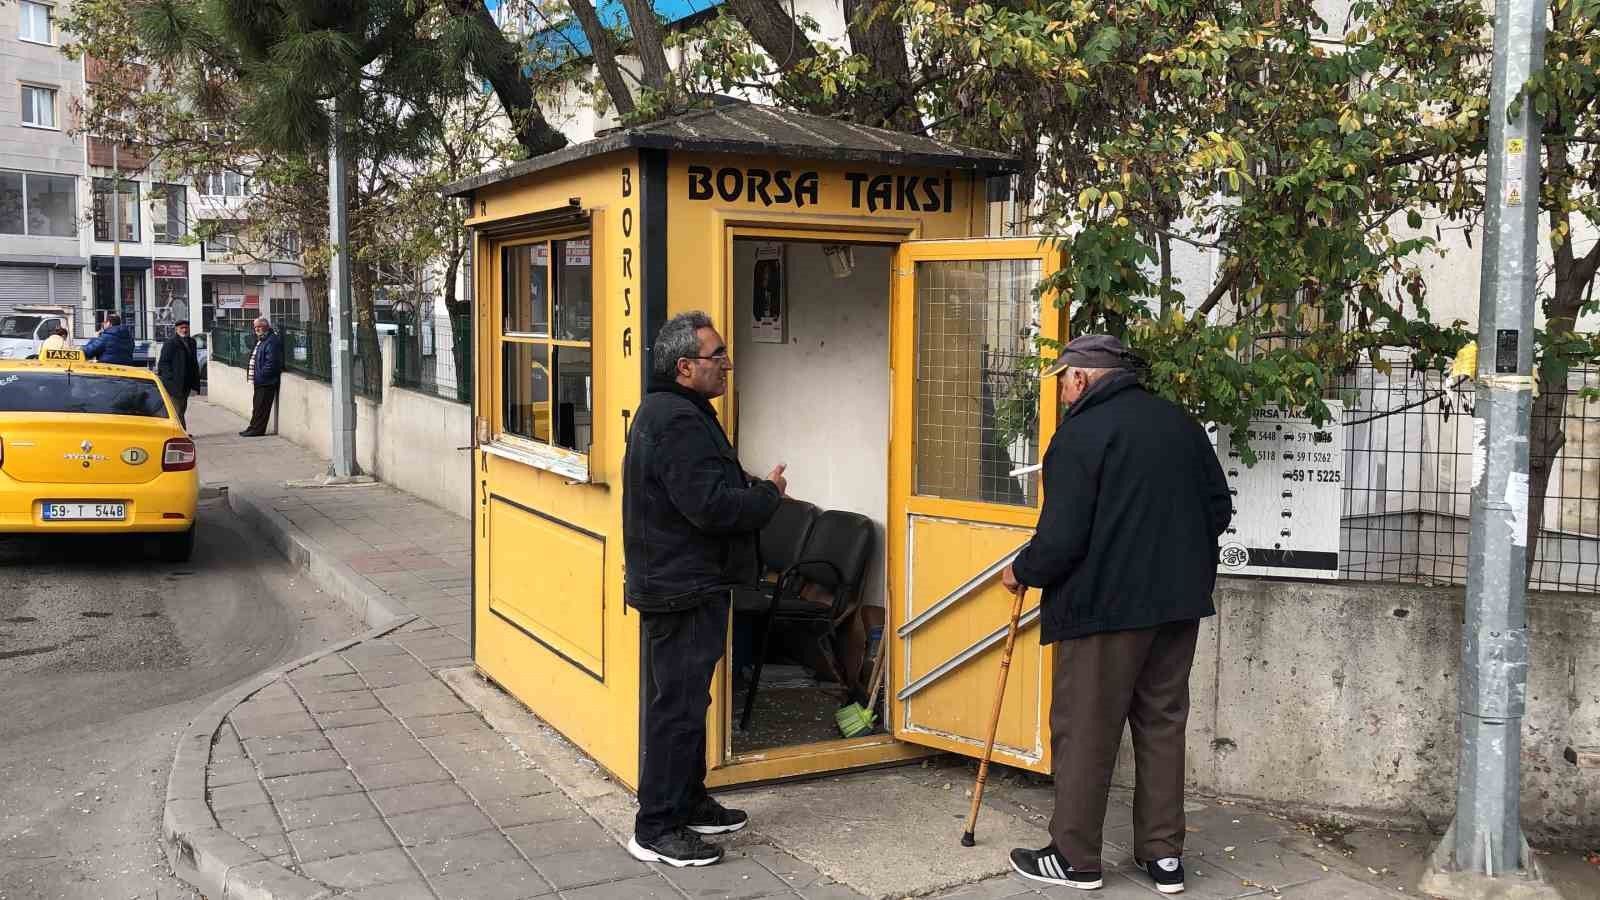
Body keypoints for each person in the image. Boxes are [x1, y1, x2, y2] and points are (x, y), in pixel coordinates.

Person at [1002, 334, 1232, 894]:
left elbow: (1061, 539)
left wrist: (1022, 570)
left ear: (1083, 377)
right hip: (1177, 604)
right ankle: (1164, 857)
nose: (1058, 388)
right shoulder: (1179, 424)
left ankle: (1075, 858)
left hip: (1103, 610)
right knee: (1161, 723)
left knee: (1086, 729)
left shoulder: (1080, 434)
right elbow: (1218, 510)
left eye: (1062, 377)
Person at [622, 310, 788, 868]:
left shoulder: (678, 410)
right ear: (685, 366)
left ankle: (687, 800)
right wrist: (767, 497)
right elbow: (709, 507)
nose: (728, 365)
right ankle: (657, 827)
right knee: (679, 708)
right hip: (682, 587)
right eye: (718, 358)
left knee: (690, 701)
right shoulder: (677, 420)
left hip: (686, 582)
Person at [241, 317, 283, 437]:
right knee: (257, 407)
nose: (257, 329)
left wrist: (262, 374)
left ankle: (257, 430)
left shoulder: (271, 341)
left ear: (266, 327)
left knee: (262, 408)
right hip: (259, 380)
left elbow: (272, 363)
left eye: (259, 326)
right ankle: (252, 427)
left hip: (266, 381)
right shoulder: (262, 339)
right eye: (255, 327)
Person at [157, 320, 202, 428]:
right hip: (174, 383)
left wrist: (195, 382)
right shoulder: (170, 343)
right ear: (176, 329)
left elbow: (194, 362)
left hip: (186, 383)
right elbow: (163, 363)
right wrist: (169, 379)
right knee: (177, 410)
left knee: (182, 408)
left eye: (186, 327)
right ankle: (181, 433)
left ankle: (180, 432)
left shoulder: (192, 342)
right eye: (182, 328)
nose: (184, 330)